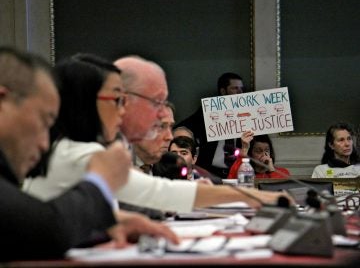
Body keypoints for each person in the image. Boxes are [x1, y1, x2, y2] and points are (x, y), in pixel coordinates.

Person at [25, 54, 294, 215]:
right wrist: (257, 196)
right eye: (116, 100)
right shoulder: (83, 153)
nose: (163, 114)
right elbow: (155, 193)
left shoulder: (88, 146)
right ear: (89, 103)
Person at [0, 47, 178, 261]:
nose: (44, 143)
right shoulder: (83, 153)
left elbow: (32, 220)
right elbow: (45, 231)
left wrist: (109, 222)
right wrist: (99, 181)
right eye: (43, 121)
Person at [175, 72, 246, 178]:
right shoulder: (208, 112)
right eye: (235, 88)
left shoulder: (247, 113)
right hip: (210, 173)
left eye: (241, 89)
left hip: (238, 173)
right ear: (223, 91)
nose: (240, 92)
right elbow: (182, 128)